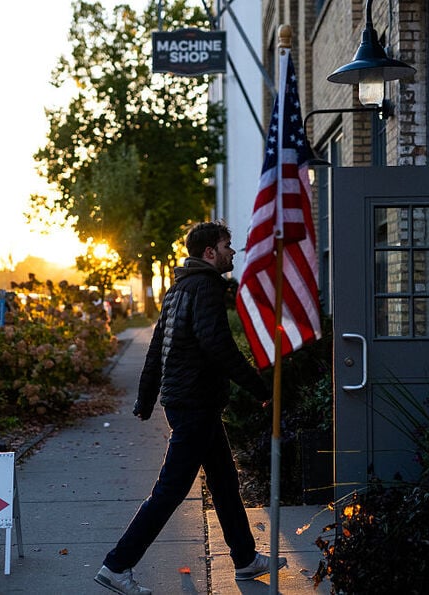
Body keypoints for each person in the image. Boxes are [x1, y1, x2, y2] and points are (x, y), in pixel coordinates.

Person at [94, 221, 287, 595]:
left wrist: (146, 397)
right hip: (195, 404)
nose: (233, 252)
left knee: (225, 482)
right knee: (170, 490)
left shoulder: (178, 287)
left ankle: (245, 559)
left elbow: (157, 347)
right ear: (209, 253)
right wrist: (259, 386)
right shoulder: (207, 287)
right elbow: (216, 344)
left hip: (193, 403)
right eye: (227, 245)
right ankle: (117, 565)